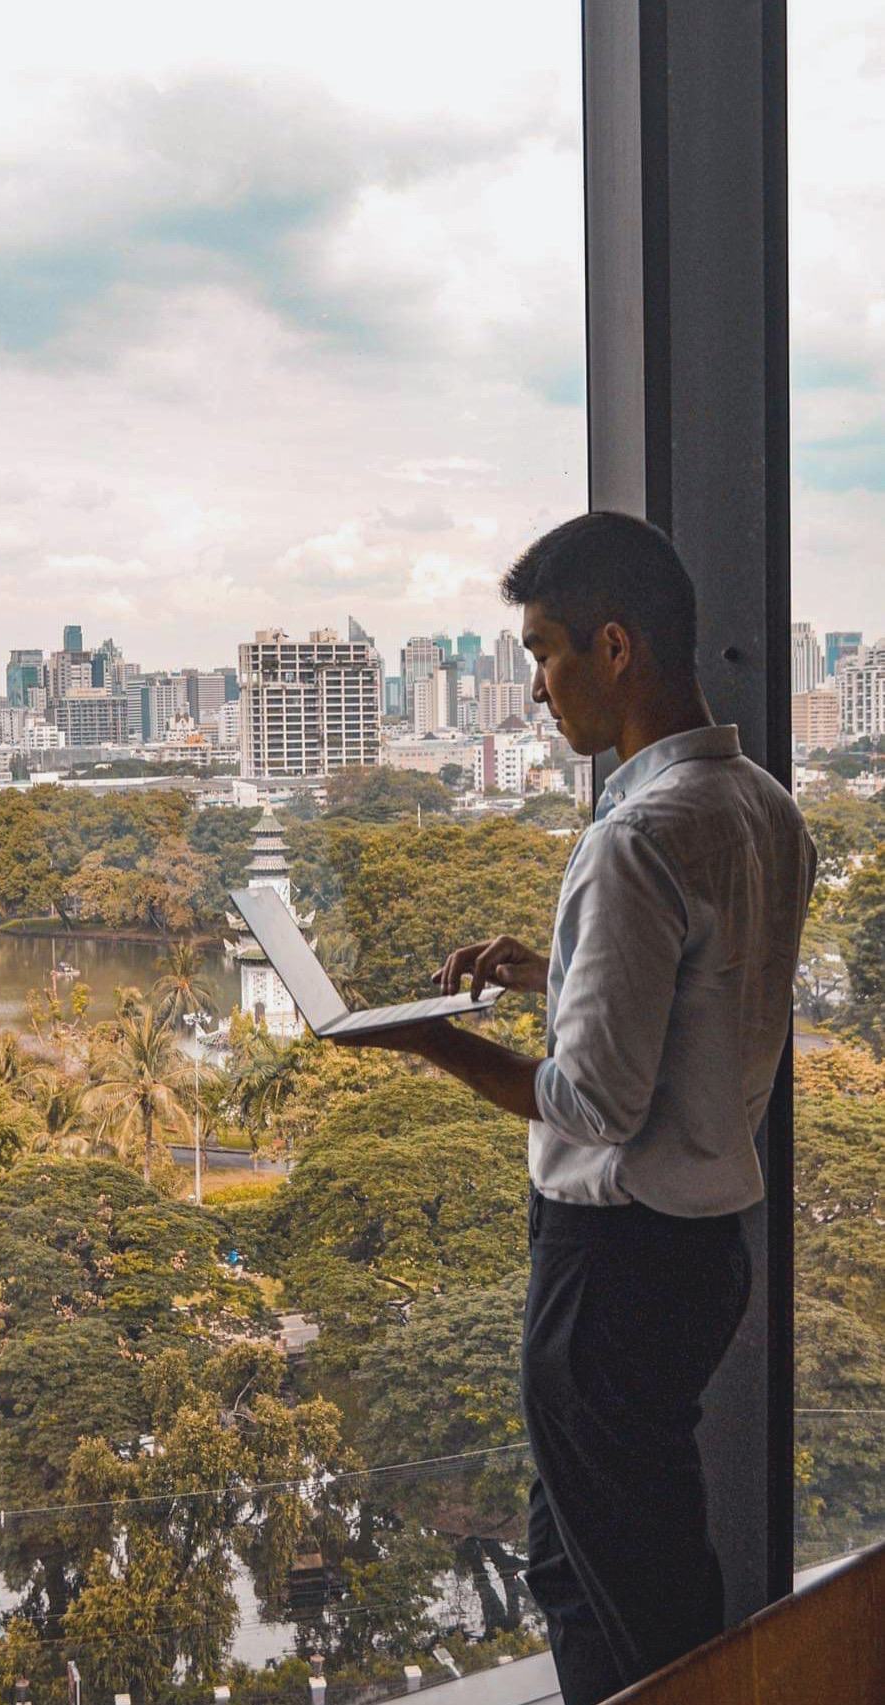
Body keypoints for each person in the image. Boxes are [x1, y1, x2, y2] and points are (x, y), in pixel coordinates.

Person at [357, 511, 816, 1705]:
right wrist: (547, 974)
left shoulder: (631, 838)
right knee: (613, 1557)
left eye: (545, 652)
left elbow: (587, 1103)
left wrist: (425, 1039)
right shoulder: (757, 805)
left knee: (615, 1594)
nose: (536, 689)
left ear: (615, 648)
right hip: (703, 1251)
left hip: (607, 1270)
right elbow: (702, 1010)